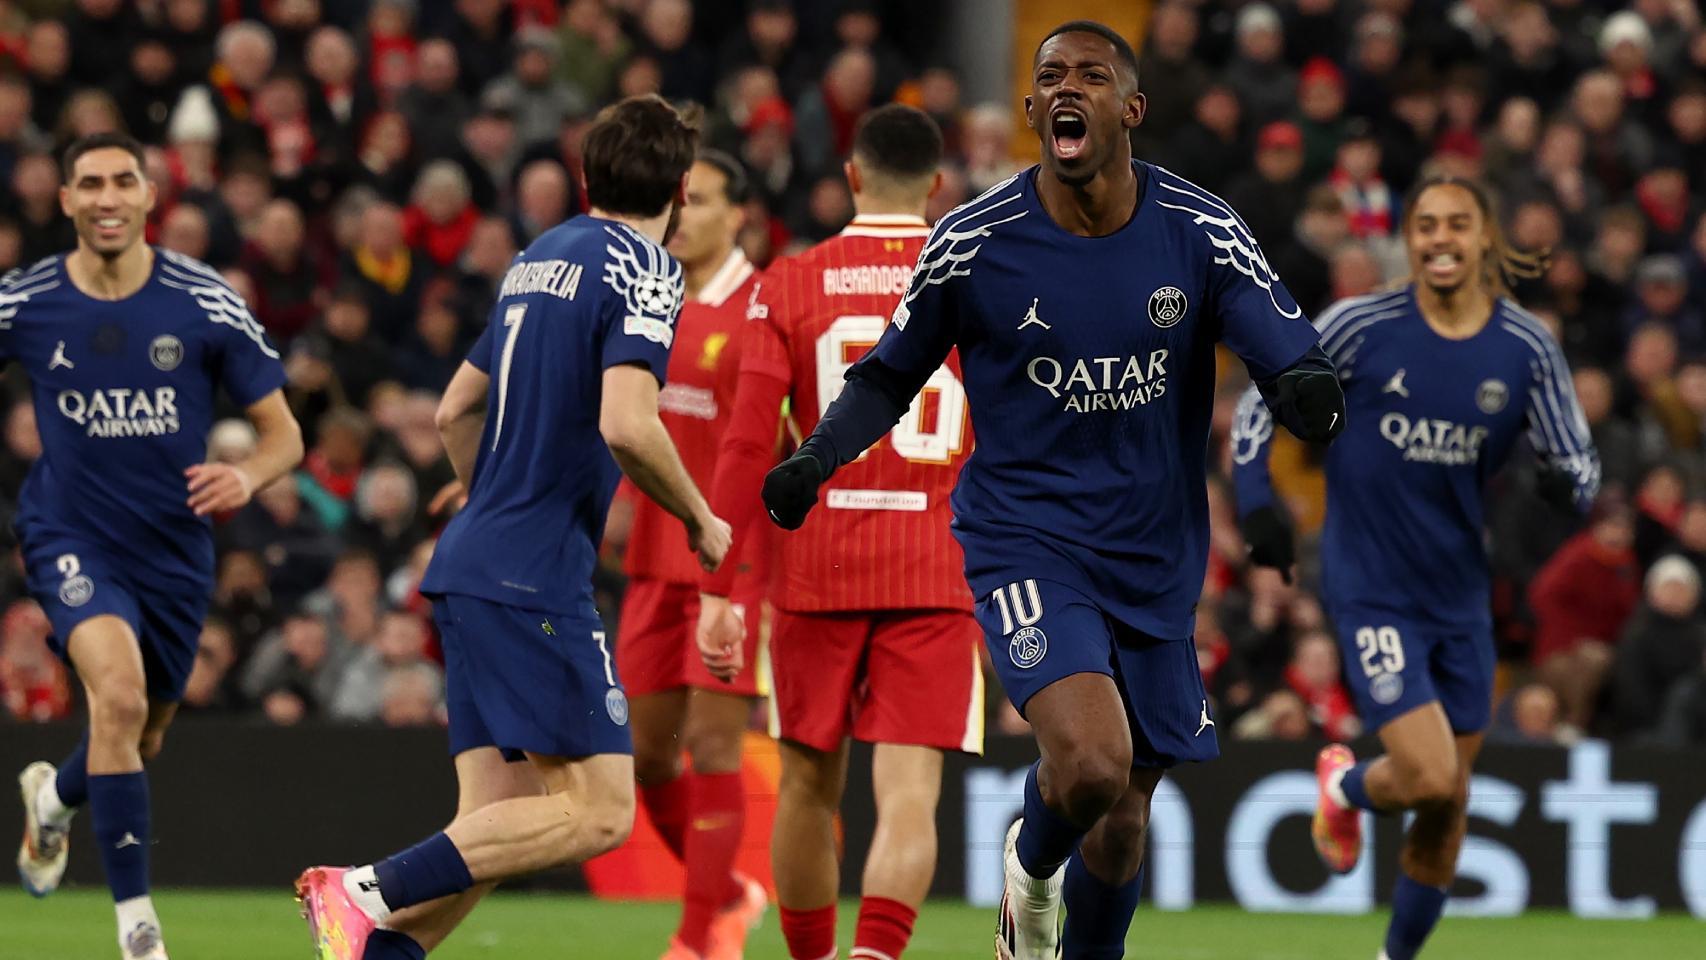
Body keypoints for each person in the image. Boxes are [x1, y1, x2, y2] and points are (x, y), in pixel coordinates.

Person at [750, 23, 1344, 960]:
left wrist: (1306, 388)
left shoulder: (1200, 228)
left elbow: (1283, 346)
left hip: (1154, 554)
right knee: (1093, 763)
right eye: (1051, 76)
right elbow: (888, 374)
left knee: (1123, 819)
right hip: (1027, 539)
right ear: (1032, 110)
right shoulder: (972, 240)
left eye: (1092, 75)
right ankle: (1028, 877)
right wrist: (816, 459)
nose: (1068, 88)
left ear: (1131, 108)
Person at [294, 95, 731, 960]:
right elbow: (628, 424)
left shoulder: (539, 257)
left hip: (473, 560)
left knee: (495, 826)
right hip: (534, 574)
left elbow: (456, 408)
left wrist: (488, 495)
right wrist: (700, 517)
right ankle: (364, 888)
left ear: (585, 178)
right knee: (601, 813)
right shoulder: (647, 268)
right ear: (681, 189)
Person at [1232, 175, 1599, 960]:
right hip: (1371, 585)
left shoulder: (1526, 347)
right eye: (1426, 224)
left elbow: (1580, 462)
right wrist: (1256, 500)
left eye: (1456, 224)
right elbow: (1265, 396)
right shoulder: (1362, 324)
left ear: (1485, 237)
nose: (1439, 238)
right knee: (1432, 776)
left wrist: (1565, 485)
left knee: (1446, 806)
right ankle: (1345, 786)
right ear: (1409, 239)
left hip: (1460, 595)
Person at [698, 103, 980, 960]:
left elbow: (747, 444)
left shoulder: (787, 283)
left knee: (805, 789)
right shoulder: (982, 278)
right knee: (910, 796)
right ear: (936, 185)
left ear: (853, 176)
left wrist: (718, 590)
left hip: (815, 570)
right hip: (937, 568)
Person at [12, 131, 304, 960]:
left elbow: (286, 436)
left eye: (123, 181)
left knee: (140, 737)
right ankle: (139, 929)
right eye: (90, 183)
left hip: (174, 551)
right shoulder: (25, 301)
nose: (107, 198)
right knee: (118, 699)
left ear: (150, 195)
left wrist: (246, 477)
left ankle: (52, 801)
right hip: (70, 535)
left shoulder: (204, 300)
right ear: (66, 200)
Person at [613, 149, 768, 960]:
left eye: (700, 200)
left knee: (712, 748)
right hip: (652, 559)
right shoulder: (652, 300)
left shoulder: (761, 308)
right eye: (679, 200)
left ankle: (699, 935)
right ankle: (731, 893)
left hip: (734, 565)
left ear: (737, 215)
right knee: (643, 757)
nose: (683, 216)